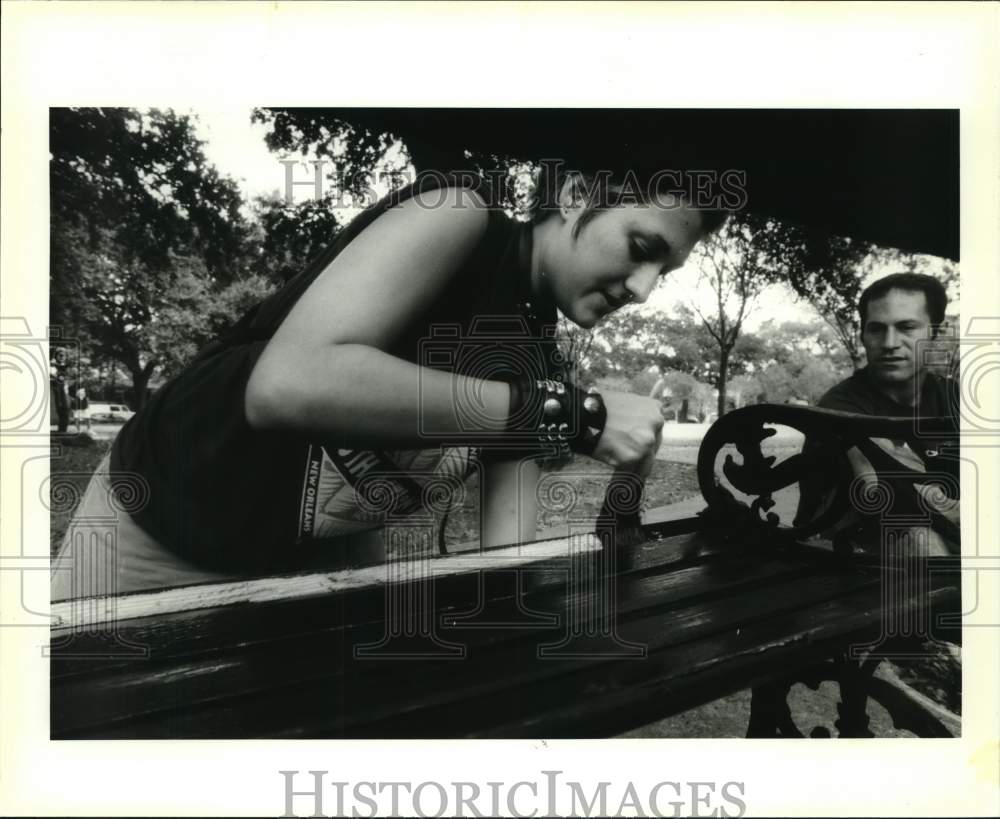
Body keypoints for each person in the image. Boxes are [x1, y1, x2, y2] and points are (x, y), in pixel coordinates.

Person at [51, 166, 730, 599]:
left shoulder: (535, 361)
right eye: (643, 250)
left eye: (663, 274)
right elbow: (287, 383)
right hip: (159, 529)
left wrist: (625, 484)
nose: (643, 290)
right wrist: (572, 415)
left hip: (311, 569)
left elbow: (506, 561)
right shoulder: (455, 213)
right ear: (577, 192)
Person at [795, 272, 959, 556]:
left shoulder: (957, 397)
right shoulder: (841, 405)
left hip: (937, 544)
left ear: (935, 332)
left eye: (906, 327)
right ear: (863, 335)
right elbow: (886, 488)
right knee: (919, 537)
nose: (890, 342)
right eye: (877, 329)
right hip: (839, 555)